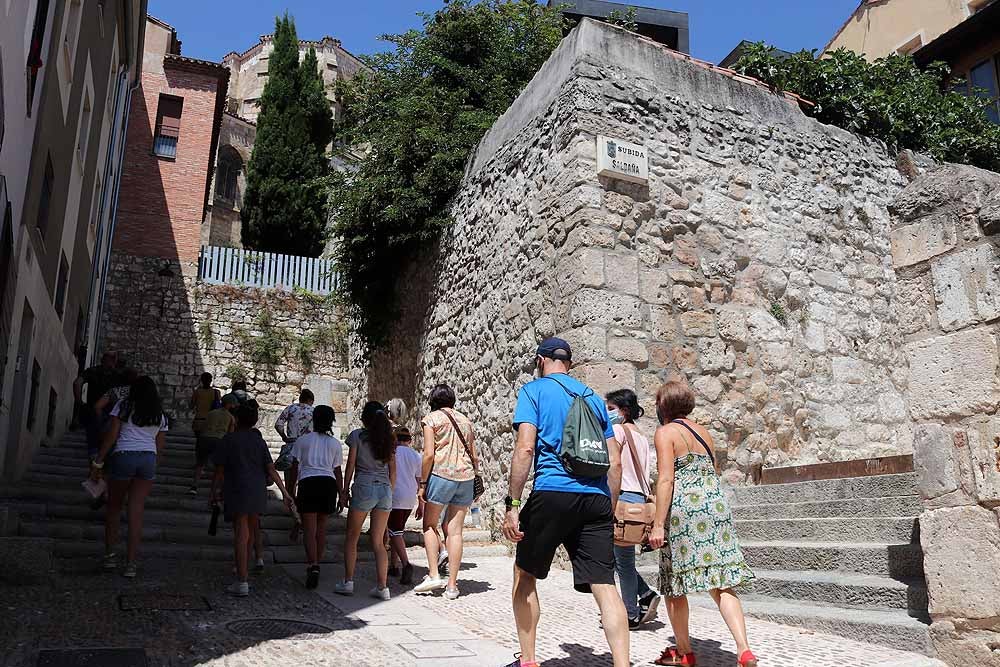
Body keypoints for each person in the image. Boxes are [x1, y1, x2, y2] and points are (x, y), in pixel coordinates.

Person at [501, 337, 629, 667]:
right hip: (597, 498)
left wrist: (513, 505)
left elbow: (525, 448)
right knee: (605, 585)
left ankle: (528, 660)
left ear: (541, 360)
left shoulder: (534, 391)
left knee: (525, 574)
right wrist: (608, 508)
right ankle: (622, 663)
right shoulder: (593, 399)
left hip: (552, 492)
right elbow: (615, 461)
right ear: (568, 363)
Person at [648, 382, 757, 667]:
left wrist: (658, 524)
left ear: (664, 406)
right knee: (722, 583)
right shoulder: (704, 433)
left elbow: (666, 479)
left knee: (674, 585)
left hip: (684, 511)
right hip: (715, 507)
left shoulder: (665, 432)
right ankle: (744, 649)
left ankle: (684, 653)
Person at [211, 402, 294, 597]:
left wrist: (213, 491)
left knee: (241, 533)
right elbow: (270, 469)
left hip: (237, 488)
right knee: (249, 531)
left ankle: (242, 580)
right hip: (257, 490)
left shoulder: (229, 439)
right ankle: (244, 571)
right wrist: (284, 491)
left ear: (237, 419)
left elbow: (219, 469)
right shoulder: (259, 441)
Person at [89, 376, 167, 578]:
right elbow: (160, 446)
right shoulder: (159, 413)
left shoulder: (124, 406)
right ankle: (131, 564)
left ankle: (110, 557)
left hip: (125, 455)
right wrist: (152, 466)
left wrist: (98, 461)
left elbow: (112, 435)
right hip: (148, 459)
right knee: (136, 511)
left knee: (114, 508)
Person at [414, 384, 480, 599]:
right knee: (456, 531)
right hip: (466, 477)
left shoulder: (431, 419)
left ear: (433, 400)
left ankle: (434, 574)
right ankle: (452, 585)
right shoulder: (466, 421)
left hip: (441, 476)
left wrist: (422, 484)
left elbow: (429, 455)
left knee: (429, 525)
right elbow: (474, 455)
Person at [607, 388, 662, 629]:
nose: (608, 413)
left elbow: (614, 465)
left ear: (624, 410)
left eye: (611, 409)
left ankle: (630, 612)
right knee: (618, 559)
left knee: (623, 561)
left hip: (622, 499)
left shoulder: (618, 430)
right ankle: (643, 595)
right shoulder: (640, 435)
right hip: (639, 499)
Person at [335, 401, 396, 601]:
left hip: (364, 486)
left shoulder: (357, 436)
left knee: (352, 537)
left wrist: (344, 490)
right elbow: (393, 470)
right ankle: (382, 586)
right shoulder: (389, 438)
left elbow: (350, 464)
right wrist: (390, 491)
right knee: (379, 541)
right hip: (384, 489)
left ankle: (348, 581)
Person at [288, 405, 344, 589]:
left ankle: (312, 564)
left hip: (308, 483)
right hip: (328, 484)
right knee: (321, 528)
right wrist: (342, 492)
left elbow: (295, 467)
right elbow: (337, 471)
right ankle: (317, 564)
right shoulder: (335, 444)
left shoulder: (303, 441)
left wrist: (291, 490)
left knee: (309, 529)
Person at [387, 426, 422, 585]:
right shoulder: (416, 455)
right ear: (409, 440)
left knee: (394, 532)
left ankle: (406, 564)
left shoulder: (392, 452)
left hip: (394, 496)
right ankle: (393, 566)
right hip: (409, 498)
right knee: (396, 530)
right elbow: (419, 482)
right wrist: (421, 504)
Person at [192, 394, 237, 496]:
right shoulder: (231, 417)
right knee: (220, 468)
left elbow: (204, 426)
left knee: (200, 464)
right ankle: (219, 490)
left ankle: (194, 486)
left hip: (204, 438)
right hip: (219, 440)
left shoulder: (211, 413)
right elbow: (230, 434)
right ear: (230, 405)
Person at [75, 351, 119, 457]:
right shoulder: (117, 375)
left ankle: (94, 467)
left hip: (92, 413)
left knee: (93, 447)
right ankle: (100, 467)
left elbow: (77, 383)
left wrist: (80, 401)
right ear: (113, 361)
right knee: (107, 445)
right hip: (110, 414)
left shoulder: (92, 371)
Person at [274, 389, 316, 488]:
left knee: (289, 480)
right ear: (310, 400)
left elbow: (278, 425)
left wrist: (284, 437)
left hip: (291, 446)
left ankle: (289, 499)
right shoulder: (314, 411)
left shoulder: (290, 408)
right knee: (305, 479)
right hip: (308, 447)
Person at [189, 373, 222, 495]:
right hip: (211, 421)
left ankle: (199, 464)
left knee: (199, 443)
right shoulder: (215, 393)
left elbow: (191, 405)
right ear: (211, 380)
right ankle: (208, 463)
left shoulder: (197, 392)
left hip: (198, 421)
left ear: (201, 380)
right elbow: (218, 406)